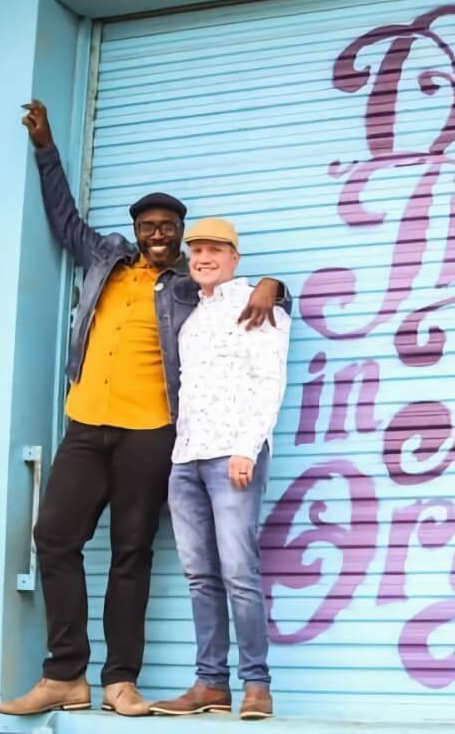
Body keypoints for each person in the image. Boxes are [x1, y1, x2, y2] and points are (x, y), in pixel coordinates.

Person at [0, 101, 291, 717]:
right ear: (135, 231)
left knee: (132, 552)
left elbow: (242, 292)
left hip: (152, 433)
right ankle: (64, 674)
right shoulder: (103, 260)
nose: (159, 234)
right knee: (54, 538)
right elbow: (63, 216)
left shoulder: (191, 282)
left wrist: (277, 286)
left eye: (169, 227)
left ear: (182, 236)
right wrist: (46, 150)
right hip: (86, 422)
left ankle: (119, 681)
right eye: (149, 225)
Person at [148, 218, 289, 721]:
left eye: (215, 251)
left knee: (237, 571)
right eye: (197, 251)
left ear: (234, 258)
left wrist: (247, 448)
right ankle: (210, 683)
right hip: (186, 459)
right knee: (199, 575)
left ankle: (256, 685)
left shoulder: (258, 305)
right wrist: (176, 461)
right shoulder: (191, 321)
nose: (203, 258)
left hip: (234, 455)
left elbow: (268, 382)